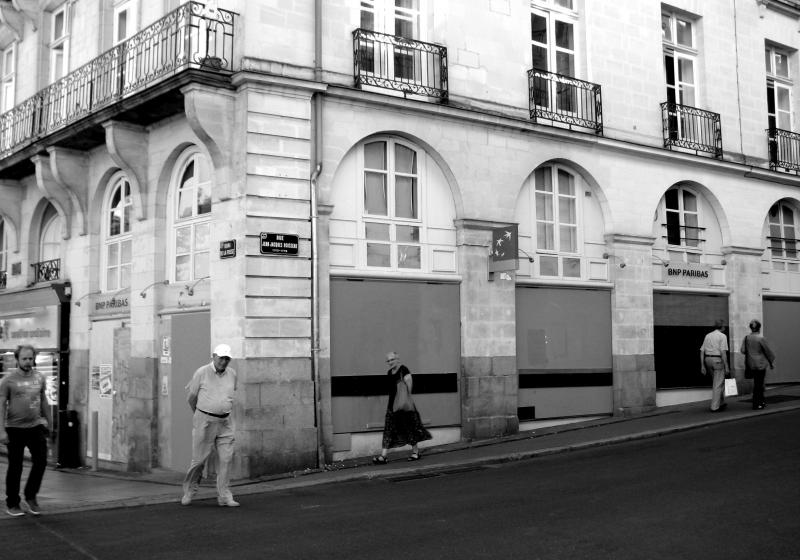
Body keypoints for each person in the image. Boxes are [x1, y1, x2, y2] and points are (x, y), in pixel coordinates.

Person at [181, 343, 239, 507]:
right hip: (205, 420)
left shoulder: (232, 374)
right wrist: (201, 415)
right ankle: (189, 491)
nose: (224, 361)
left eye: (227, 358)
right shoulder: (202, 372)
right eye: (221, 358)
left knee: (226, 459)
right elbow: (191, 398)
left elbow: (231, 394)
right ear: (213, 356)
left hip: (225, 421)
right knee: (199, 460)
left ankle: (224, 495)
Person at [0, 344, 52, 517]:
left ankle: (31, 496)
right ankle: (12, 503)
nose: (28, 362)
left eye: (31, 358)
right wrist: (1, 431)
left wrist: (51, 422)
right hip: (14, 429)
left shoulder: (39, 377)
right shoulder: (8, 380)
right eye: (25, 359)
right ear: (17, 359)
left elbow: (43, 400)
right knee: (15, 466)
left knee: (41, 461)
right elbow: (1, 406)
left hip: (35, 426)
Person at [372, 352, 432, 464]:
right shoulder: (389, 373)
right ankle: (383, 456)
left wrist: (405, 402)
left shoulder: (404, 369)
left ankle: (415, 452)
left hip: (404, 407)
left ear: (397, 359)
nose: (390, 362)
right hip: (392, 406)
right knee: (388, 429)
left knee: (409, 428)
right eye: (388, 361)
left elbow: (409, 387)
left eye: (392, 359)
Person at [740, 319, 775, 410]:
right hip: (760, 364)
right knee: (759, 384)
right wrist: (771, 362)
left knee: (757, 383)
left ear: (751, 328)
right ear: (759, 328)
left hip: (751, 364)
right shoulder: (760, 338)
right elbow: (767, 351)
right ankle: (757, 403)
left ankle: (760, 401)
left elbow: (743, 350)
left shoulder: (746, 338)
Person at [700, 319, 730, 412]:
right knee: (718, 384)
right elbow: (723, 352)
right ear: (722, 327)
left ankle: (721, 402)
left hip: (707, 360)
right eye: (724, 325)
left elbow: (702, 351)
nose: (725, 327)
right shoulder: (722, 336)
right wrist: (727, 366)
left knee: (717, 381)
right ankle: (715, 407)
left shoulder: (708, 335)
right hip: (717, 360)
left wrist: (702, 366)